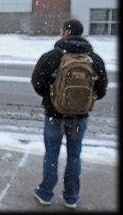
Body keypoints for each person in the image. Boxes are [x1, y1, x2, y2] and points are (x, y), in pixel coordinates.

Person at [31, 19, 108, 209]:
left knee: (51, 154)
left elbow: (37, 82)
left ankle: (46, 193)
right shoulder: (94, 59)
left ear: (66, 32)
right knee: (74, 156)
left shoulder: (52, 56)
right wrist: (82, 101)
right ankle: (71, 196)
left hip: (54, 115)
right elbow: (102, 88)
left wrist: (53, 98)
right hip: (80, 117)